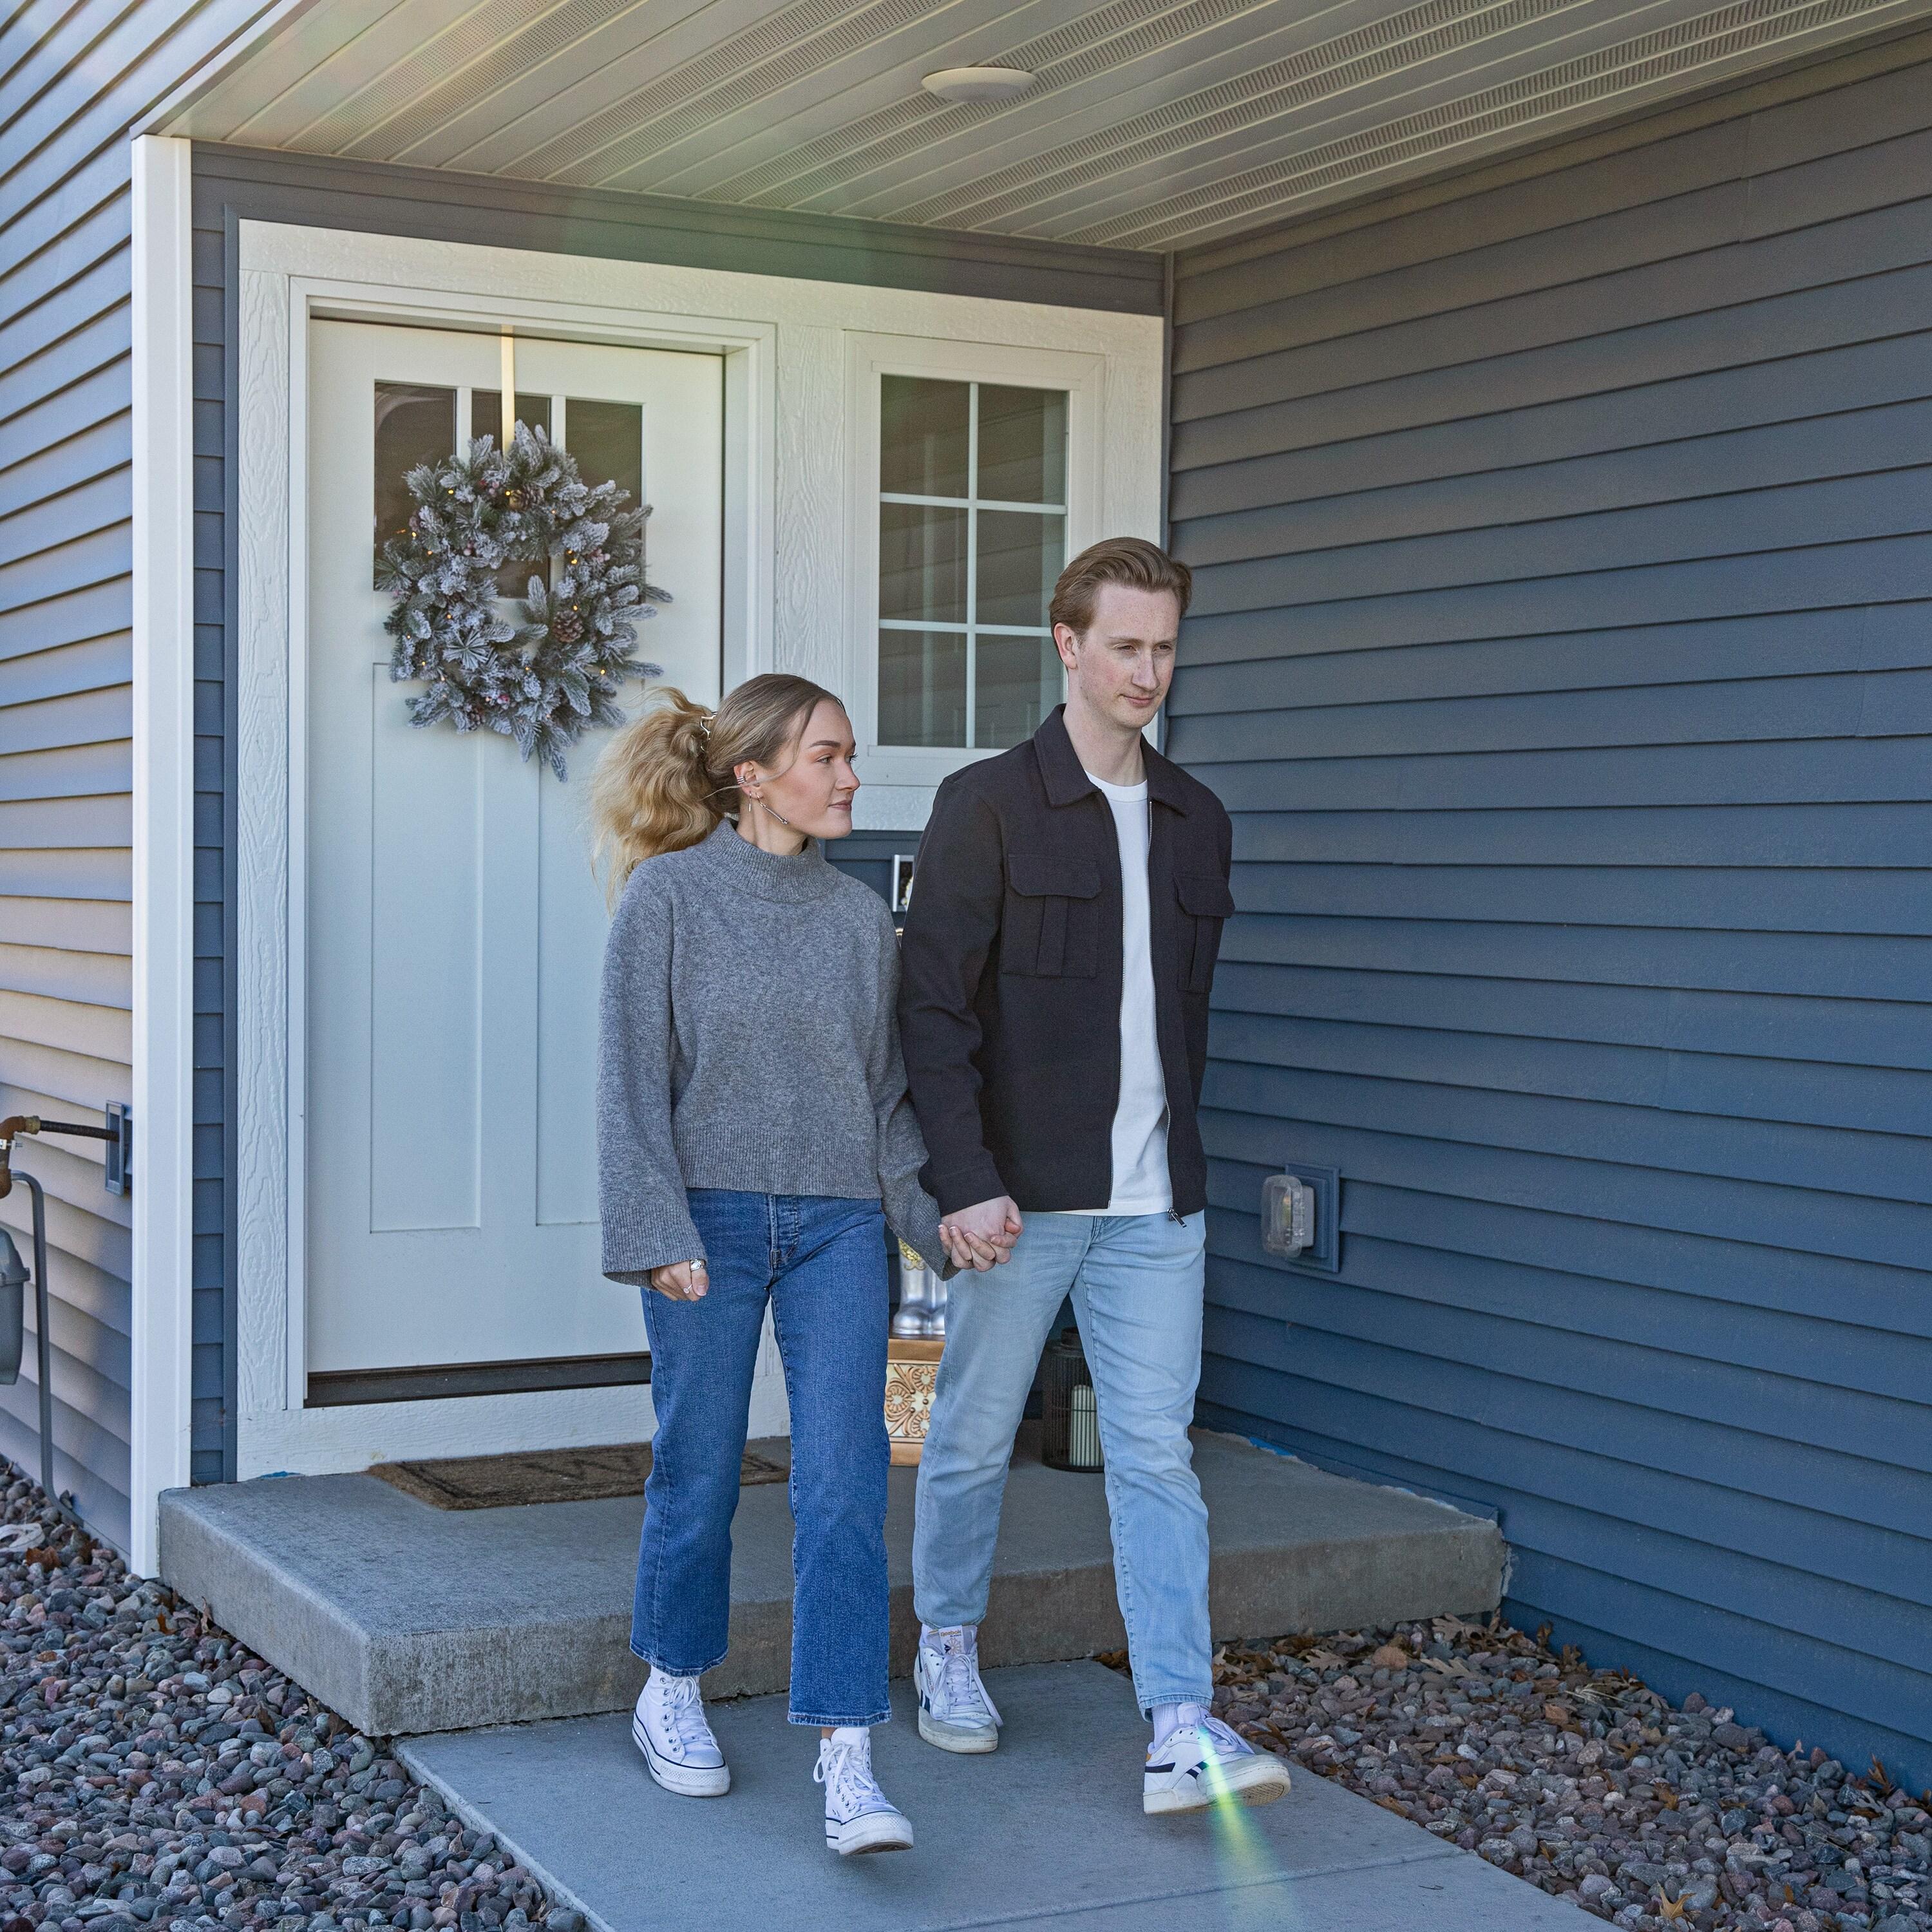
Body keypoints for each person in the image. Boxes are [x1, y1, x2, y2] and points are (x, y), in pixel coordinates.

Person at [898, 537, 1293, 1815]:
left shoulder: (1198, 819)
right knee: (965, 1439)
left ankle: (1180, 1715)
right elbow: (934, 1016)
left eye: (1165, 645)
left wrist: (1177, 1164)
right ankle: (947, 1644)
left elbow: (1186, 1019)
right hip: (1018, 1200)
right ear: (1067, 645)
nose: (1148, 670)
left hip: (1153, 1207)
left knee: (1155, 1455)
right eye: (1125, 644)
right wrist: (961, 1179)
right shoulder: (987, 805)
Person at [592, 675, 988, 1855]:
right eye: (828, 757)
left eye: (851, 756)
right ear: (753, 774)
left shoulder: (862, 921)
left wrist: (937, 1220)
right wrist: (652, 1230)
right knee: (700, 1464)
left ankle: (848, 1752)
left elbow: (885, 1102)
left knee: (845, 1483)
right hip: (705, 1223)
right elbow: (628, 1084)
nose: (851, 778)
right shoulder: (666, 899)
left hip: (833, 1231)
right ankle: (671, 1684)